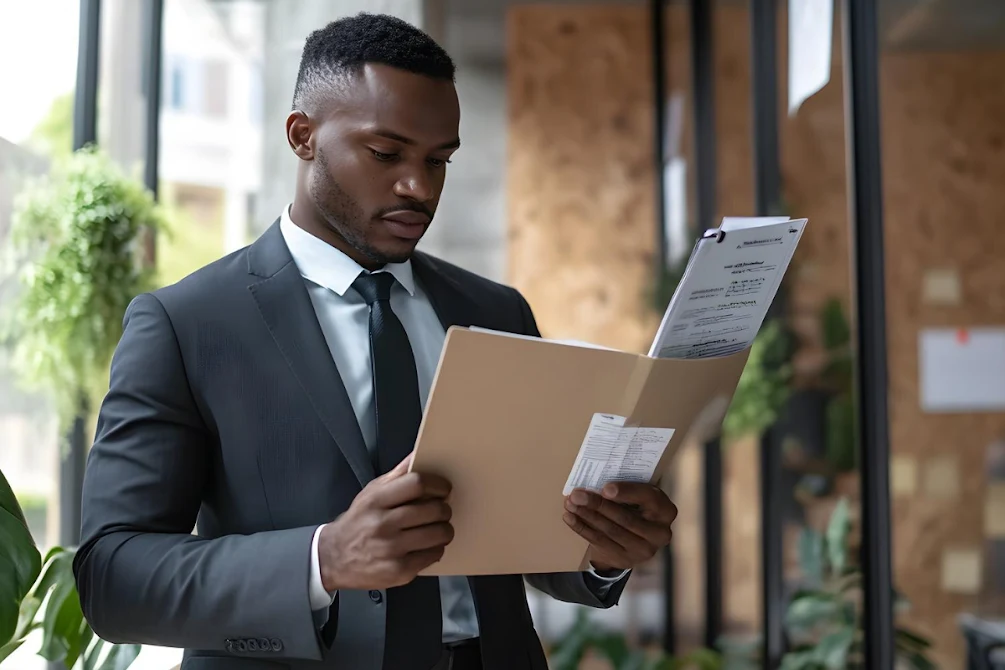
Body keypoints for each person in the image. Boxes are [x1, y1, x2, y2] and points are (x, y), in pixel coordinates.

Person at [73, 13, 678, 670]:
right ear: (302, 136)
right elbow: (113, 579)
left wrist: (601, 550)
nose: (419, 187)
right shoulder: (186, 323)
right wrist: (323, 559)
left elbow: (524, 539)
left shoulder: (495, 311)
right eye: (386, 154)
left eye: (438, 160)